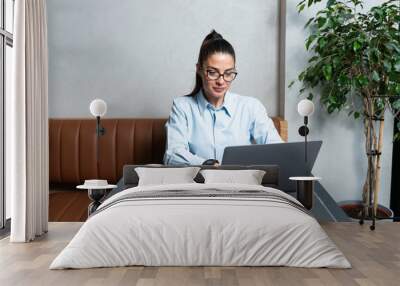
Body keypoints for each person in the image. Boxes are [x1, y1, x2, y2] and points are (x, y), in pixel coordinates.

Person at [164, 30, 283, 166]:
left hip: (242, 184)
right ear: (199, 69)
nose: (221, 81)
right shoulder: (182, 107)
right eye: (213, 72)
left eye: (228, 73)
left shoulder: (251, 107)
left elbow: (278, 150)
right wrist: (207, 164)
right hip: (199, 185)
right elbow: (173, 155)